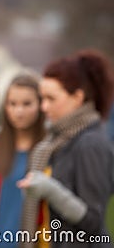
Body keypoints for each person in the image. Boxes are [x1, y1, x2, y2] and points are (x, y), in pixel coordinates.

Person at [18, 49, 114, 248]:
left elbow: (93, 222)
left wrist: (50, 190)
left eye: (51, 99)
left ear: (77, 98)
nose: (43, 107)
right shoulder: (54, 142)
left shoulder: (91, 143)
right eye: (42, 98)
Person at [0, 74, 45, 247]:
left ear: (40, 105)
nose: (18, 111)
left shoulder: (49, 149)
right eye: (12, 104)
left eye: (26, 104)